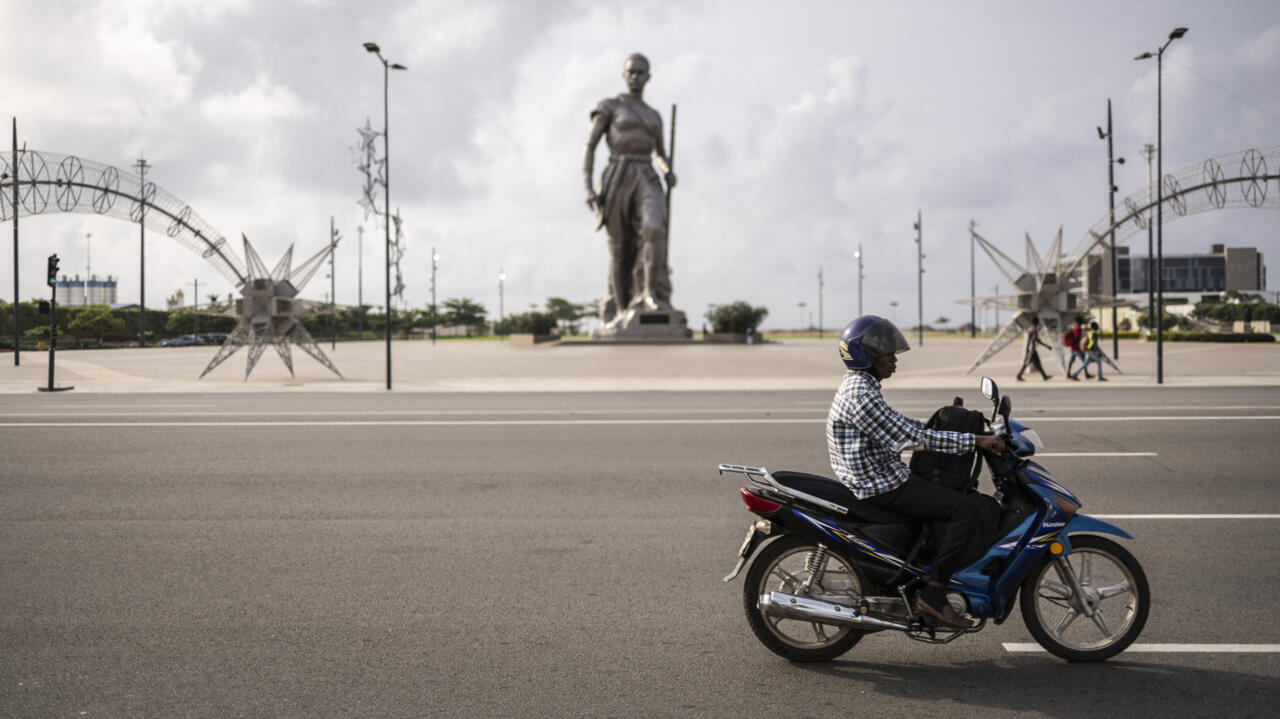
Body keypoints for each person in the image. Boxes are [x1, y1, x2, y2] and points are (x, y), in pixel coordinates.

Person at [828, 316, 1006, 629]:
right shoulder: (861, 395)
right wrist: (975, 440)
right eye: (887, 353)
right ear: (866, 356)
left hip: (881, 476)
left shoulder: (863, 386)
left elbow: (902, 425)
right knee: (967, 510)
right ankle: (934, 595)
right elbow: (909, 438)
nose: (894, 359)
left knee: (952, 497)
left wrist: (944, 428)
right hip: (881, 485)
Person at [582, 53, 676, 324]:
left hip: (646, 174)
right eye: (631, 72)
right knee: (620, 247)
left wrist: (667, 170)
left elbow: (661, 153)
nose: (635, 77)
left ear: (649, 77)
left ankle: (649, 293)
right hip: (618, 175)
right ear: (624, 75)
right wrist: (588, 187)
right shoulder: (610, 106)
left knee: (654, 228)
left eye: (640, 72)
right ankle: (622, 307)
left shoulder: (653, 115)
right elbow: (590, 146)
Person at [1016, 315, 1052, 382]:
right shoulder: (1034, 329)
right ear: (1036, 322)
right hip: (1032, 350)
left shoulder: (1030, 329)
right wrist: (1046, 346)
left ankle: (1044, 376)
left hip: (1030, 349)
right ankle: (1019, 375)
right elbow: (1036, 339)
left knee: (1036, 363)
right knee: (1028, 363)